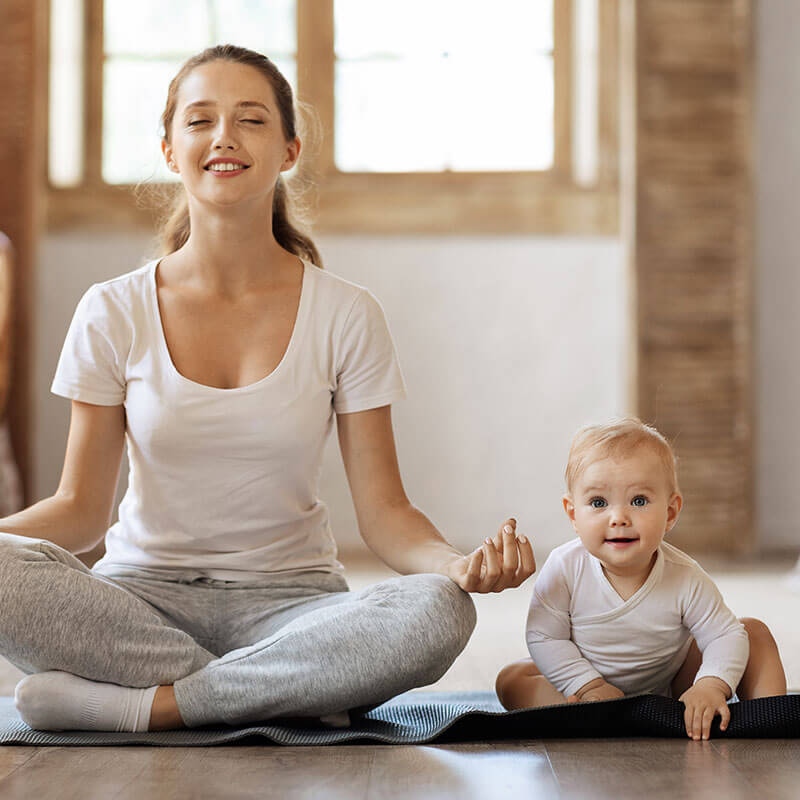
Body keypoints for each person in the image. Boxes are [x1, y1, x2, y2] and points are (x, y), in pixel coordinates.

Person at [0, 44, 536, 733]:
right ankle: (284, 690)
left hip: (296, 605)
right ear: (169, 150)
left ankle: (153, 705)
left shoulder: (346, 312)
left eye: (250, 119)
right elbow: (78, 512)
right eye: (200, 120)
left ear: (289, 149)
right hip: (143, 604)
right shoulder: (113, 310)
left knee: (439, 609)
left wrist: (455, 564)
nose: (224, 136)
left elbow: (386, 513)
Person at [495, 418, 787, 741]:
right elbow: (544, 636)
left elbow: (724, 635)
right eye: (598, 503)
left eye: (638, 501)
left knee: (752, 633)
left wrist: (710, 684)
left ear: (671, 513)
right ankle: (590, 706)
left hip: (672, 686)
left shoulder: (684, 576)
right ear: (573, 514)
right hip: (586, 680)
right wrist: (587, 684)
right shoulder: (564, 568)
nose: (618, 517)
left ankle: (768, 720)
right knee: (512, 679)